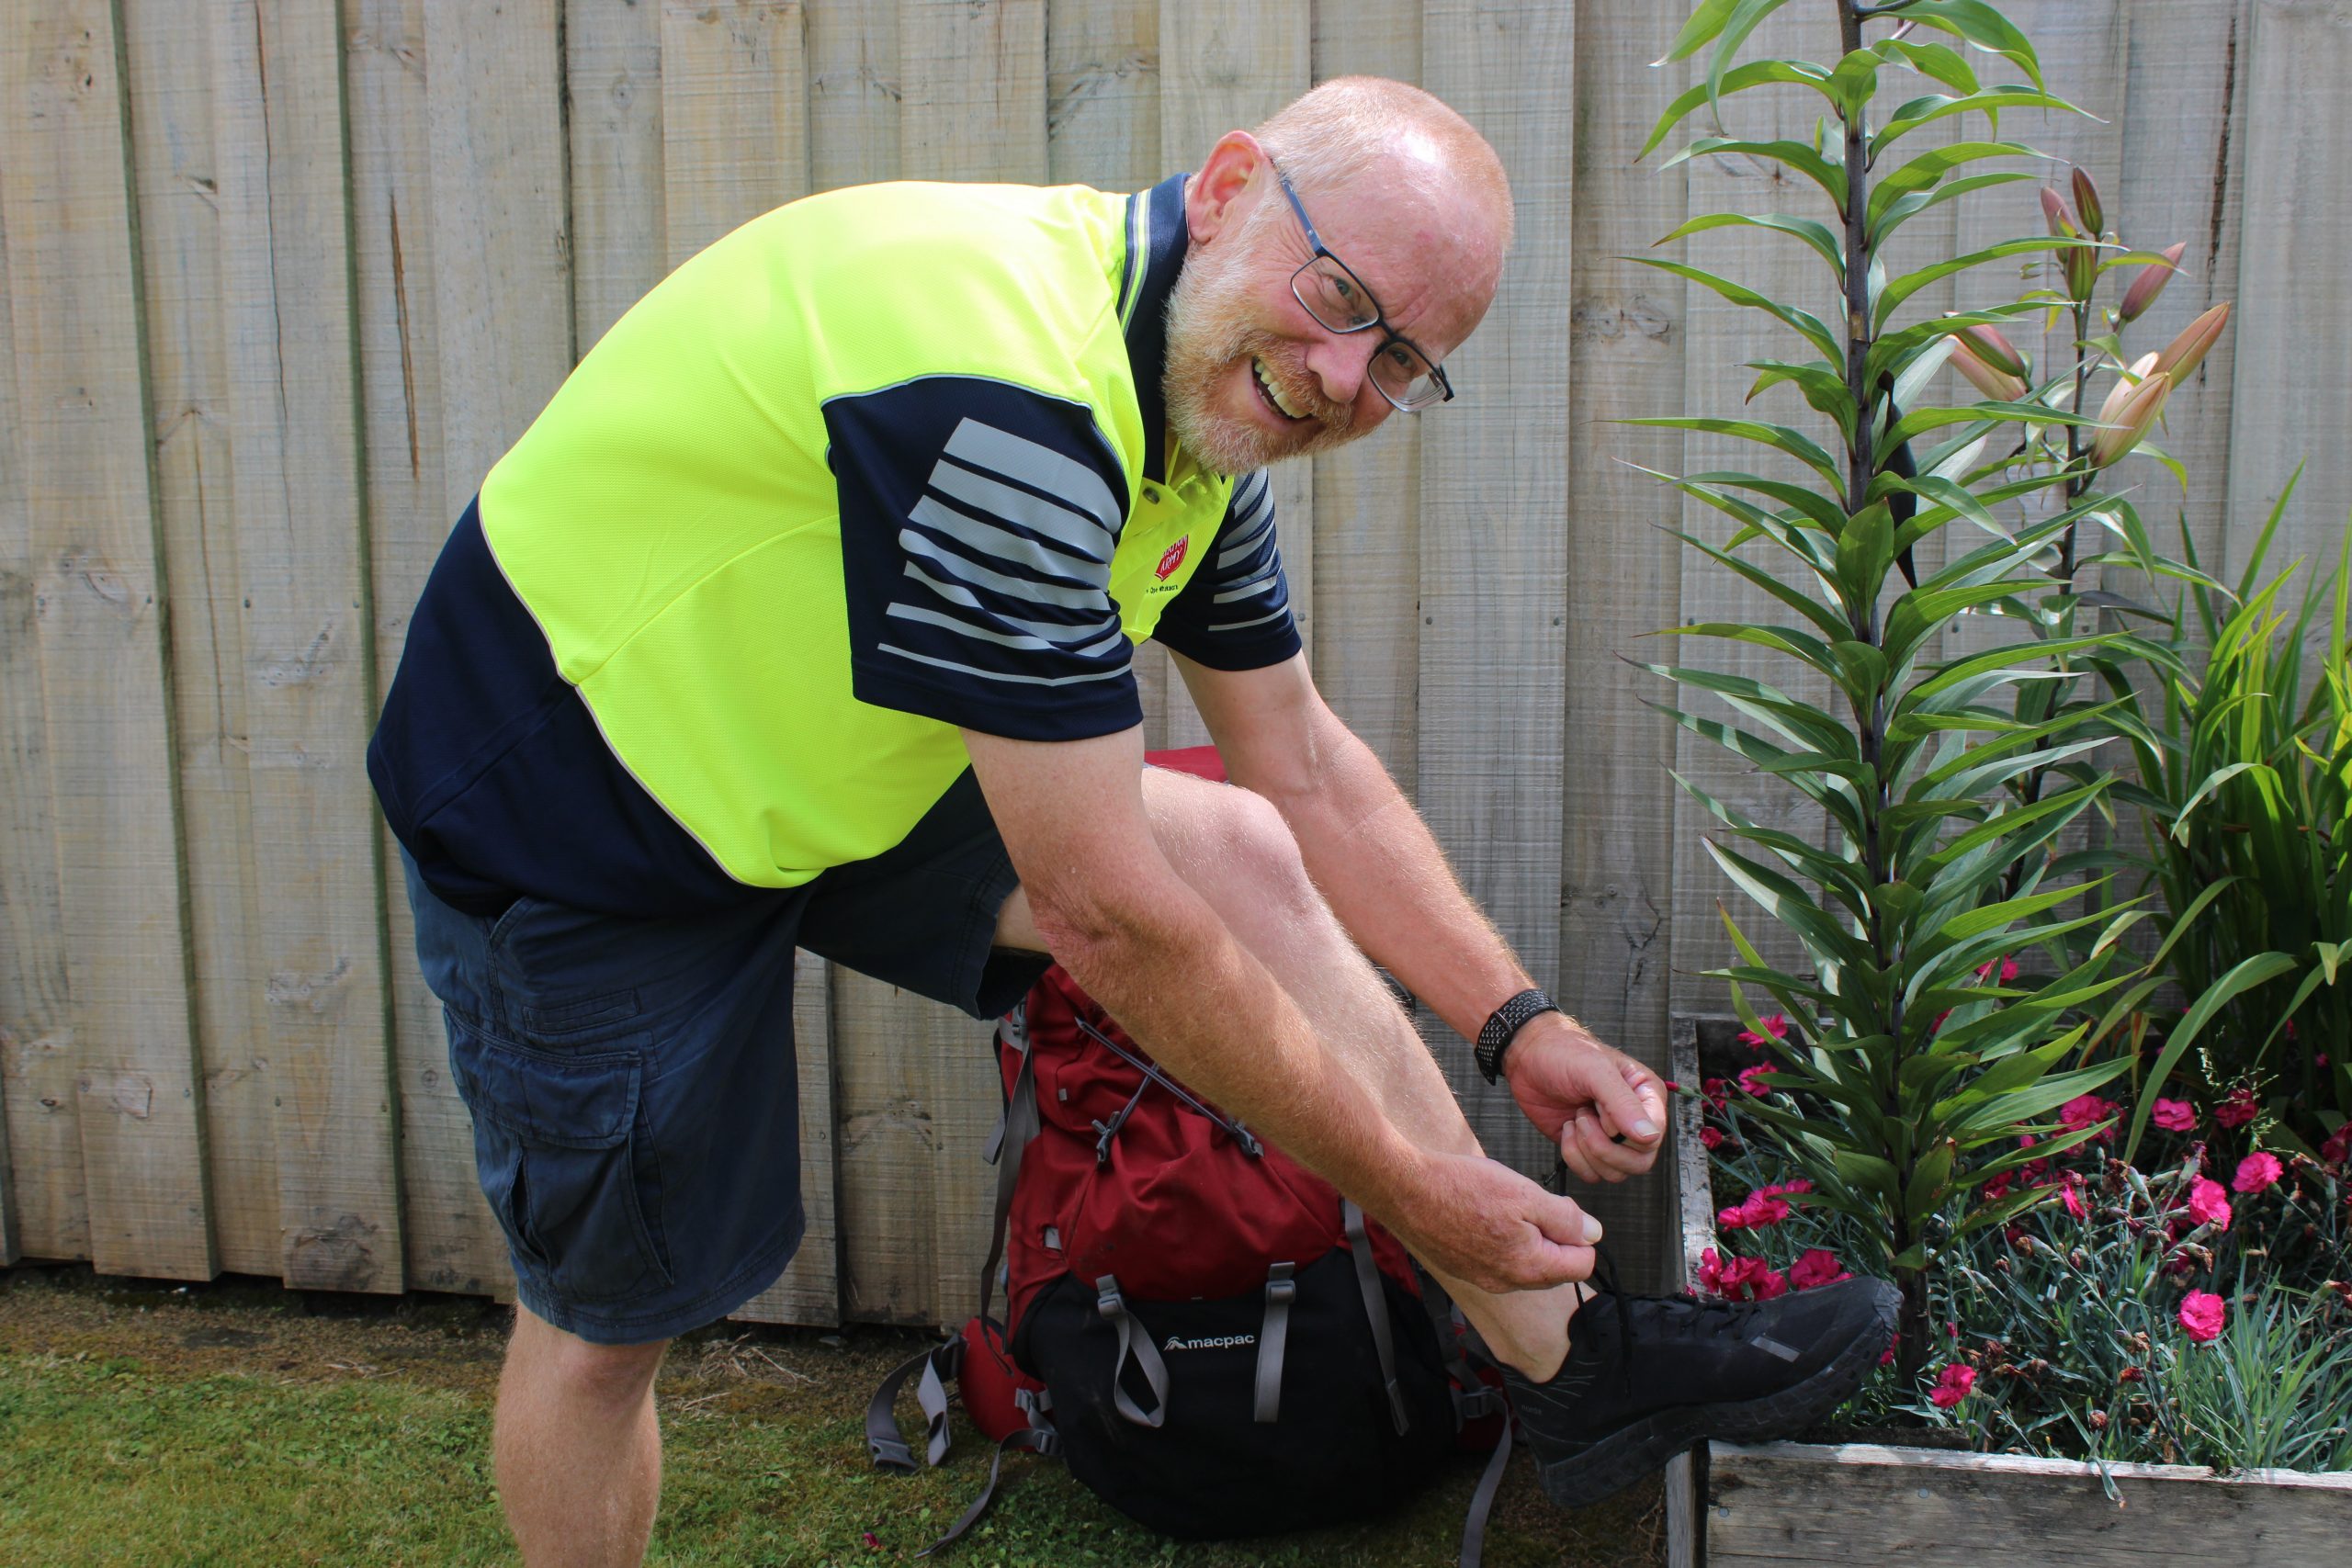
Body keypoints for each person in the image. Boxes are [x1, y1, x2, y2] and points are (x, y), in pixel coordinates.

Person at [369, 75, 1894, 1568]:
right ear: (1230, 188)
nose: (1347, 377)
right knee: (603, 1334)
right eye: (1343, 294)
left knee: (1234, 846)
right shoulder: (1015, 401)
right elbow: (1106, 913)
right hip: (578, 802)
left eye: (1405, 361)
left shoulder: (1197, 400)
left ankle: (1573, 1375)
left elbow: (1294, 755)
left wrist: (1519, 1024)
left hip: (826, 741)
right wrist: (1418, 1190)